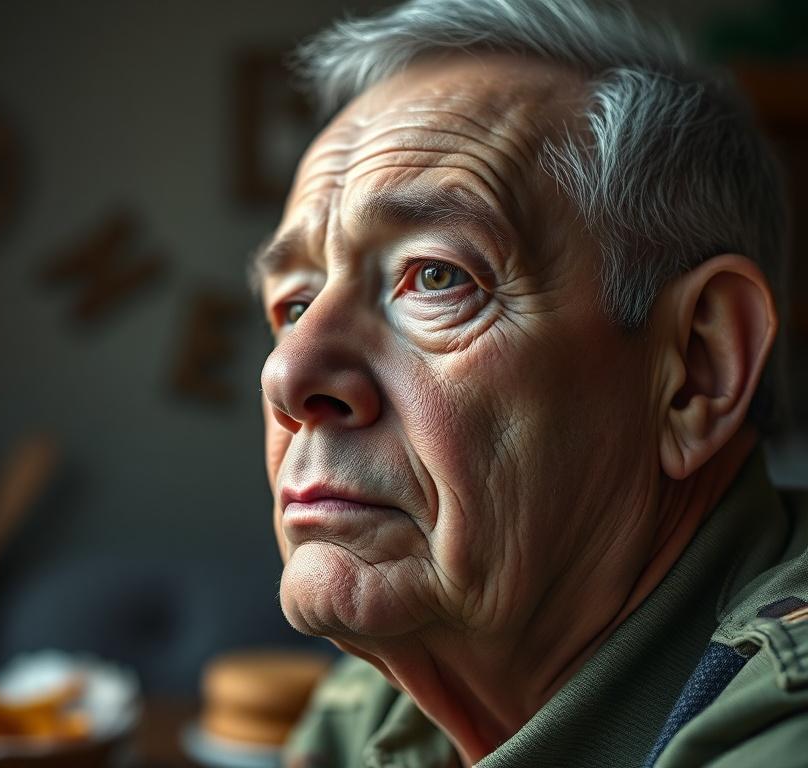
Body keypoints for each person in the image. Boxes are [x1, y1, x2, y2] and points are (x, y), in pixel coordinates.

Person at [251, 0, 808, 765]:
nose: (288, 373)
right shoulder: (375, 704)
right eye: (296, 303)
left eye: (437, 276)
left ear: (697, 370)